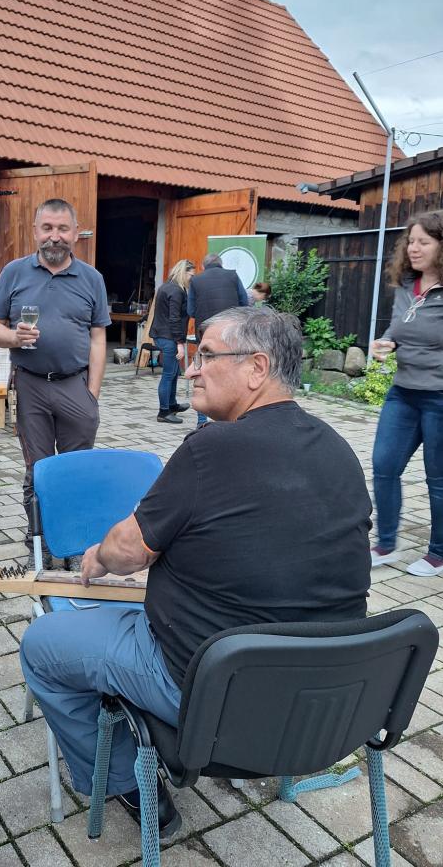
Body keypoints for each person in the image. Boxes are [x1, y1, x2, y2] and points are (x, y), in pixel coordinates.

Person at [20, 306, 371, 835]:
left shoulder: (210, 448)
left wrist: (96, 557)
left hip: (214, 692)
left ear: (257, 368)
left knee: (43, 645)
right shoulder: (339, 449)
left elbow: (128, 550)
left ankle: (129, 784)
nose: (190, 369)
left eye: (206, 355)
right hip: (325, 702)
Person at [0, 198, 111, 570]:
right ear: (35, 231)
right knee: (38, 471)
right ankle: (39, 541)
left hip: (75, 386)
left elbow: (98, 338)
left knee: (76, 470)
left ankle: (73, 541)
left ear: (75, 233)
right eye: (48, 228)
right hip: (32, 386)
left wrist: (92, 393)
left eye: (63, 229)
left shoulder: (92, 279)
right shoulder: (14, 273)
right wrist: (12, 337)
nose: (55, 236)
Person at [368, 209, 443, 577]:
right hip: (403, 393)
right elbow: (400, 329)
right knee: (384, 466)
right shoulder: (406, 285)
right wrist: (388, 343)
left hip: (439, 398)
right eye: (410, 241)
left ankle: (438, 553)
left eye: (423, 242)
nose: (413, 248)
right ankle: (385, 544)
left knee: (438, 480)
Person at [187, 252, 249, 427]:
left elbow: (191, 311)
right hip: (231, 335)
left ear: (203, 266)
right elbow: (245, 303)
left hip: (205, 335)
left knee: (202, 372)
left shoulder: (196, 280)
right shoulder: (233, 276)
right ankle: (232, 416)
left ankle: (201, 421)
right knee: (232, 372)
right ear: (221, 264)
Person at [149, 259, 194, 424]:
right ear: (183, 272)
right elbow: (174, 318)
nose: (192, 278)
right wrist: (180, 343)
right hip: (169, 337)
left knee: (174, 372)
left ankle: (172, 404)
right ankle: (163, 412)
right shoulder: (176, 291)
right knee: (168, 374)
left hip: (162, 334)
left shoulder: (166, 286)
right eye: (191, 275)